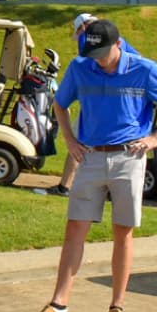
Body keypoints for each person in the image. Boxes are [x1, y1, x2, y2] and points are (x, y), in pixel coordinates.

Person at [22, 20, 157, 312]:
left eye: (102, 52)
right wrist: (70, 140)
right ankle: (58, 306)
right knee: (75, 226)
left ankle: (117, 305)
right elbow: (60, 104)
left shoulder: (144, 69)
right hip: (89, 155)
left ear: (118, 45)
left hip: (129, 157)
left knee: (123, 231)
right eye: (92, 52)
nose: (97, 58)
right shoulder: (80, 67)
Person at [44, 12, 99, 199]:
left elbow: (83, 66)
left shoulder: (88, 35)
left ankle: (64, 187)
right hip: (109, 103)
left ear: (82, 27)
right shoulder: (113, 37)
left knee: (76, 143)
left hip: (95, 104)